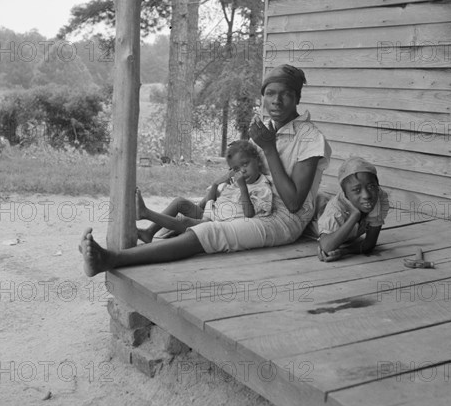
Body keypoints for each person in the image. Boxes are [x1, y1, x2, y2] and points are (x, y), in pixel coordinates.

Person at [80, 64, 332, 276]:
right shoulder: (265, 130)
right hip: (253, 205)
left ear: (298, 97)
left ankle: (111, 259)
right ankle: (143, 239)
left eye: (286, 94)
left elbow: (294, 203)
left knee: (210, 231)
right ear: (263, 96)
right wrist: (218, 191)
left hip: (282, 220)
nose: (276, 101)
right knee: (197, 212)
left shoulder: (310, 138)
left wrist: (268, 148)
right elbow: (247, 174)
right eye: (270, 93)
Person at [135, 140, 273, 241]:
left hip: (217, 225)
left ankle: (146, 213)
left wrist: (243, 188)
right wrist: (216, 184)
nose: (242, 171)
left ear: (258, 161)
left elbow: (249, 214)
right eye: (236, 169)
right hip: (210, 215)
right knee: (179, 202)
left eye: (245, 164)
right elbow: (212, 200)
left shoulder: (262, 187)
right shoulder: (235, 183)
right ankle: (149, 232)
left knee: (184, 221)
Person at [317, 157, 390, 262]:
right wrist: (354, 216)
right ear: (345, 194)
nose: (366, 195)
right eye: (356, 189)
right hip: (311, 218)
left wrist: (343, 251)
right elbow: (326, 247)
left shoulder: (379, 197)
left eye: (371, 186)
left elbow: (369, 244)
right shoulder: (336, 209)